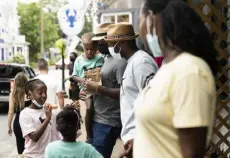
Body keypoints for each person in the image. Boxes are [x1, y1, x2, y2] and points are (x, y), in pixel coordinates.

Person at [134, 1, 219, 158]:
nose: (139, 29)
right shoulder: (167, 69)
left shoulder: (189, 71)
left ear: (150, 19)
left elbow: (191, 153)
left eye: (139, 20)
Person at [104, 23, 158, 157]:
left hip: (142, 140)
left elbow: (154, 103)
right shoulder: (132, 62)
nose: (110, 48)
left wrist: (139, 138)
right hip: (135, 141)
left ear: (121, 43)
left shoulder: (141, 63)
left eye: (111, 44)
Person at [83, 23, 127, 158]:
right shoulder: (105, 59)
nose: (98, 44)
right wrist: (88, 91)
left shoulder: (120, 62)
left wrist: (97, 89)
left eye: (101, 41)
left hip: (108, 121)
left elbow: (125, 93)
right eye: (97, 41)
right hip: (99, 118)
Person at [70, 32, 104, 142]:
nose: (89, 52)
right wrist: (82, 80)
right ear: (83, 48)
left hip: (98, 87)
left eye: (92, 49)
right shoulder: (79, 60)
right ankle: (89, 135)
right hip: (86, 89)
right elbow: (74, 76)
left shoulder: (99, 58)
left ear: (96, 48)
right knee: (89, 108)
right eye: (86, 49)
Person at [19, 79, 61, 158]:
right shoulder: (25, 114)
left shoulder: (49, 110)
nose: (44, 95)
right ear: (30, 94)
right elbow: (34, 137)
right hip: (34, 156)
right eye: (40, 93)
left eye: (45, 92)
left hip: (51, 155)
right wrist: (47, 118)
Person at [8, 72, 30, 155]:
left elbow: (10, 112)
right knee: (31, 148)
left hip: (18, 124)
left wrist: (9, 126)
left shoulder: (13, 95)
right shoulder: (30, 93)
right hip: (30, 122)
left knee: (21, 150)